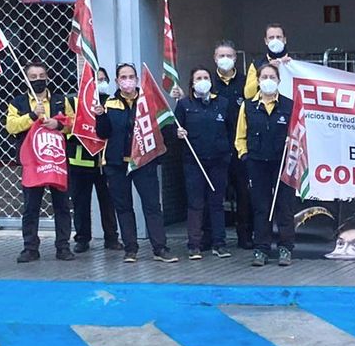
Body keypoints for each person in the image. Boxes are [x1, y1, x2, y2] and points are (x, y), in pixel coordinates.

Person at [93, 63, 180, 263]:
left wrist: (174, 134)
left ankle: (160, 248)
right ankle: (130, 249)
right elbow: (103, 133)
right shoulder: (108, 103)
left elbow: (163, 127)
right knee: (123, 207)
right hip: (116, 164)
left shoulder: (148, 101)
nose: (127, 80)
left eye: (131, 76)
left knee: (152, 206)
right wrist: (100, 117)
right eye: (123, 77)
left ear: (137, 79)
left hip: (144, 161)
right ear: (117, 81)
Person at [5, 61, 75, 264]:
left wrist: (58, 124)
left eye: (41, 76)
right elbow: (11, 126)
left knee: (62, 206)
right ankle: (30, 248)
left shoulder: (62, 100)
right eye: (33, 77)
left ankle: (63, 247)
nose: (38, 80)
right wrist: (31, 116)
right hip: (33, 162)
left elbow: (74, 123)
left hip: (57, 161)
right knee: (30, 207)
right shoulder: (17, 102)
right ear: (27, 80)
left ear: (48, 77)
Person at [236, 64, 295, 267]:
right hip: (257, 163)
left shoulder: (290, 105)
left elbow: (298, 135)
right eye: (264, 77)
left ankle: (286, 248)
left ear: (279, 80)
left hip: (283, 164)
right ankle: (261, 249)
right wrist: (245, 156)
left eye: (272, 76)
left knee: (284, 207)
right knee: (261, 207)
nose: (268, 80)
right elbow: (240, 136)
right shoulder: (248, 106)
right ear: (258, 80)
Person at [176, 66, 235, 260]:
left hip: (218, 161)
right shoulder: (184, 105)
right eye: (198, 78)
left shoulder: (223, 103)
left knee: (216, 203)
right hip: (193, 162)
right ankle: (194, 244)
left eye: (206, 77)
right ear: (192, 83)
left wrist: (226, 154)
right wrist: (178, 133)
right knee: (195, 204)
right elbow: (172, 131)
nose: (203, 80)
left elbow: (231, 129)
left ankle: (219, 243)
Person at [67, 68, 118, 253]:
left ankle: (112, 238)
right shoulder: (73, 102)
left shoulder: (112, 102)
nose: (101, 83)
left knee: (108, 201)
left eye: (104, 79)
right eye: (97, 80)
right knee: (81, 203)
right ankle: (82, 239)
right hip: (80, 162)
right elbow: (66, 128)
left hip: (105, 162)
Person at [212, 41, 254, 251]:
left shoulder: (246, 83)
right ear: (215, 58)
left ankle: (245, 235)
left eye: (229, 55)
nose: (225, 59)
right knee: (215, 193)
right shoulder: (208, 82)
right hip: (216, 147)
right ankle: (213, 237)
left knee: (244, 194)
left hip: (240, 148)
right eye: (221, 55)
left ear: (235, 58)